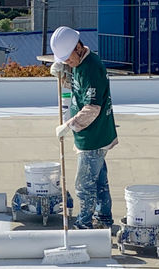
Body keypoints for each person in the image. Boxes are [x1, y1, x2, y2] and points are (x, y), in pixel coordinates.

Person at [49, 26, 118, 230]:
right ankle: (103, 218)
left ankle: (84, 224)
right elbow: (79, 89)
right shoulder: (81, 63)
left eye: (68, 59)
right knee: (98, 181)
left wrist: (68, 126)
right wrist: (63, 75)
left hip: (93, 136)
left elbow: (92, 108)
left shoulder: (91, 68)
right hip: (95, 133)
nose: (68, 63)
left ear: (78, 47)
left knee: (84, 185)